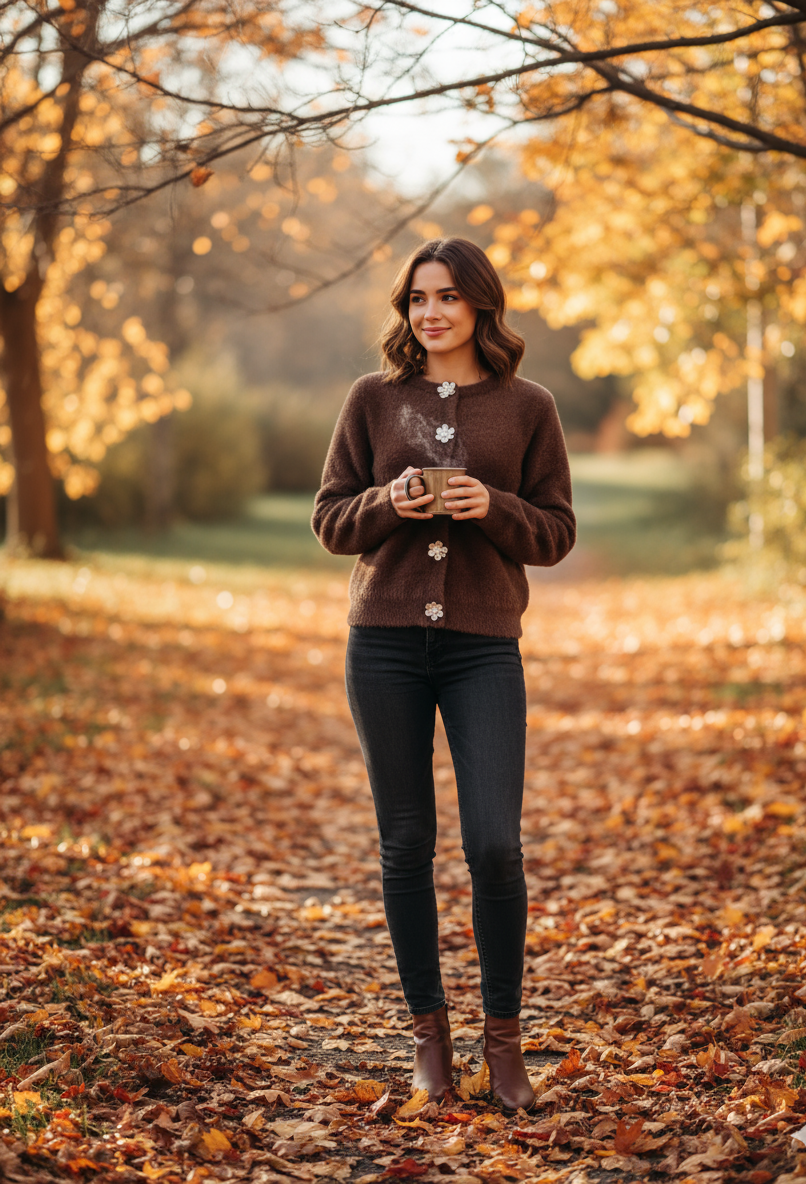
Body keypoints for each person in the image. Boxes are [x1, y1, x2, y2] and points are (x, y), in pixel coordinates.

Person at [312, 237, 575, 1111]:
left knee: (495, 844)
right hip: (382, 643)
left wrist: (493, 507)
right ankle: (430, 1039)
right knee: (406, 844)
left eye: (449, 297)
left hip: (482, 645)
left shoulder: (529, 406)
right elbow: (330, 520)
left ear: (481, 306)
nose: (431, 312)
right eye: (418, 298)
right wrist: (389, 501)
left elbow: (556, 531)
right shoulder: (372, 399)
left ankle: (504, 1043)